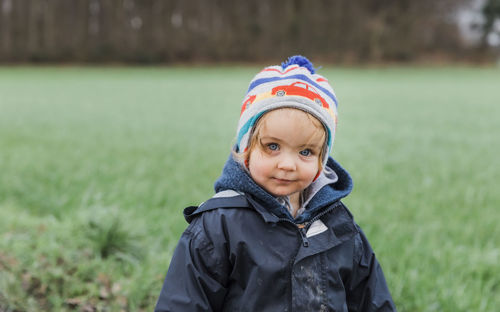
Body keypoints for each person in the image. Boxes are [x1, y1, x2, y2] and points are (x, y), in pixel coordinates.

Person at [155, 56, 396, 311]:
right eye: (273, 146)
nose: (288, 164)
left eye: (305, 152)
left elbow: (373, 301)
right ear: (245, 148)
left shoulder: (339, 227)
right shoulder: (218, 227)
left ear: (322, 159)